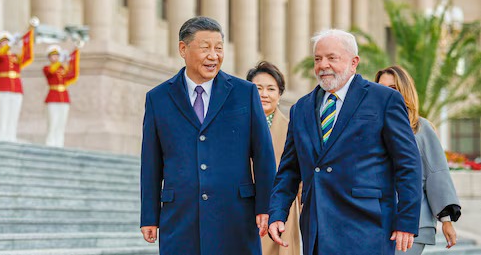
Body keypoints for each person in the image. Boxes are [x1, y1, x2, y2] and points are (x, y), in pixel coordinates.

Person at [268, 29, 422, 255]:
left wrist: (406, 221)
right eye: (318, 59)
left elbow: (408, 164)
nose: (323, 65)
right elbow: (290, 170)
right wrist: (278, 212)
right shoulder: (300, 109)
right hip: (317, 228)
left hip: (368, 226)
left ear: (354, 62)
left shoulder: (384, 99)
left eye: (332, 58)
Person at [140, 16, 277, 255]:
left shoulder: (244, 93)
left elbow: (263, 155)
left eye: (219, 48)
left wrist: (267, 206)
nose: (214, 56)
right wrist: (149, 216)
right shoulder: (158, 98)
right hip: (180, 218)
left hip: (235, 215)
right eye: (205, 48)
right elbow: (151, 162)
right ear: (183, 48)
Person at [375, 65, 461, 255]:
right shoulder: (371, 127)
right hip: (377, 222)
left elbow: (436, 174)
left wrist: (446, 221)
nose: (386, 93)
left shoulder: (421, 128)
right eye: (381, 88)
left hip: (414, 223)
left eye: (393, 88)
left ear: (404, 91)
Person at [247, 61, 301, 255]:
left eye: (271, 89)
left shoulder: (292, 128)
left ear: (279, 94)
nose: (264, 94)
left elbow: (300, 174)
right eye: (258, 88)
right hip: (245, 209)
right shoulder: (234, 128)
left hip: (280, 211)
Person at [43, 44, 79, 147]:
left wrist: (75, 55)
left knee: (61, 122)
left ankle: (59, 143)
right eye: (53, 56)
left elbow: (72, 74)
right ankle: (50, 142)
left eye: (57, 55)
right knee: (52, 122)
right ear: (49, 58)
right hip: (53, 97)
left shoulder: (63, 69)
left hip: (63, 98)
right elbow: (51, 72)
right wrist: (60, 62)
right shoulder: (47, 68)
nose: (55, 57)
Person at [0, 31, 24, 142]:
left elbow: (26, 57)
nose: (6, 44)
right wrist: (10, 44)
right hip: (4, 87)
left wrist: (23, 43)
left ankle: (11, 136)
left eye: (7, 41)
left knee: (14, 115)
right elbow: (1, 53)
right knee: (3, 113)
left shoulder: (15, 57)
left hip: (16, 88)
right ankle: (1, 136)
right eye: (4, 42)